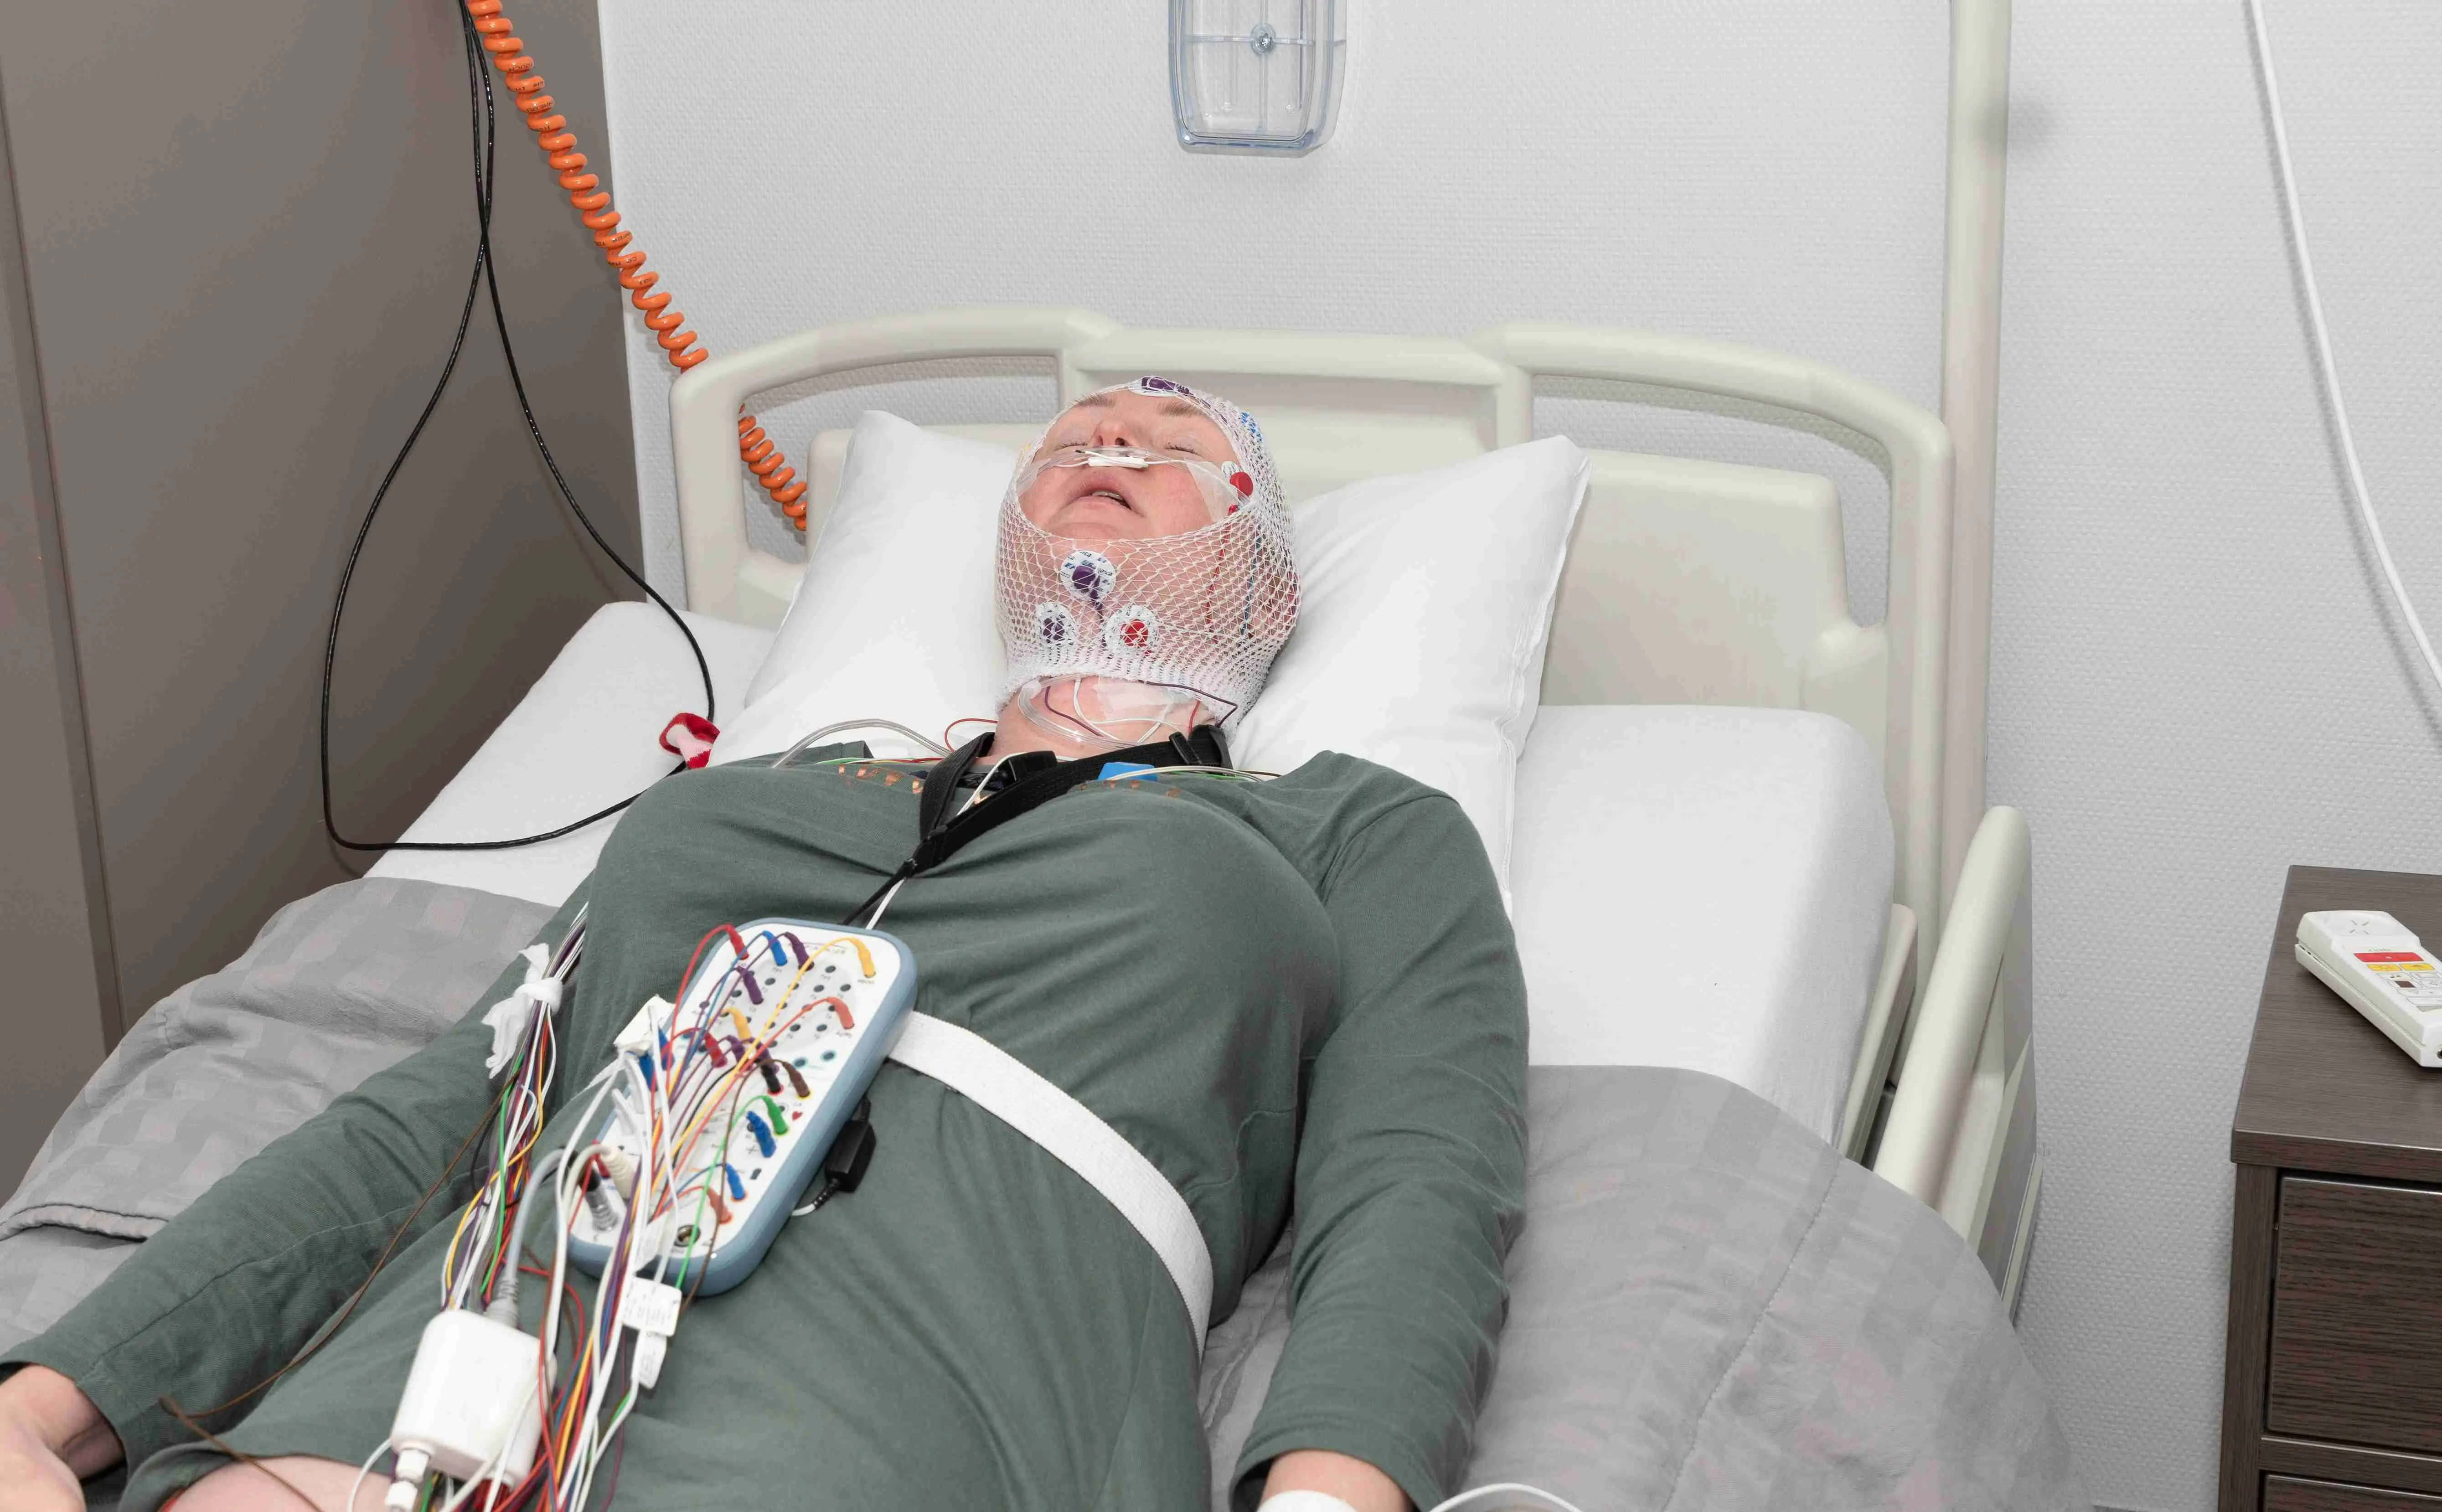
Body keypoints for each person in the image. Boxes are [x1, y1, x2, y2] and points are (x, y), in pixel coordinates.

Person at [0, 380, 1528, 1512]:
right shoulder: (772, 793)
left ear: (1267, 584)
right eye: (1064, 447)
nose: (1104, 452)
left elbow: (1418, 1188)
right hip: (506, 1320)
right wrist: (48, 1410)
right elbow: (449, 1108)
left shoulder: (1343, 829)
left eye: (1172, 449)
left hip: (940, 1361)